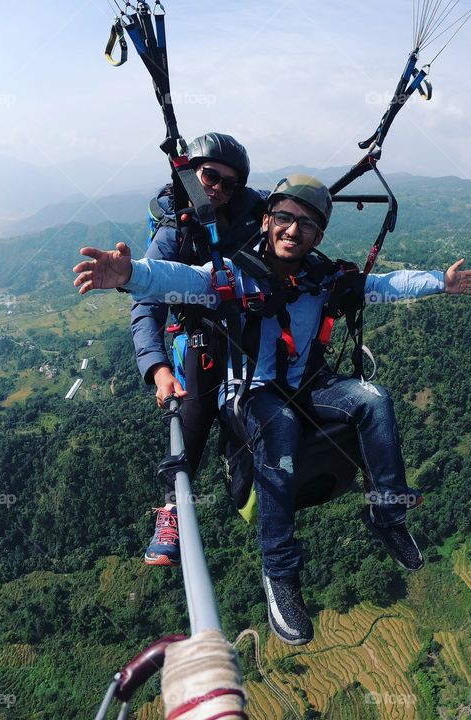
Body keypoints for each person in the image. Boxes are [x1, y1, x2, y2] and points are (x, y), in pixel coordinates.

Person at [75, 174, 471, 645]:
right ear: (268, 221)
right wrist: (129, 275)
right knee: (282, 426)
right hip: (253, 392)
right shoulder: (232, 275)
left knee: (374, 400)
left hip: (308, 384)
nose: (293, 231)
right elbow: (179, 279)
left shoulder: (323, 277)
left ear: (319, 235)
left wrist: (441, 282)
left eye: (307, 225)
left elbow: (384, 285)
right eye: (285, 219)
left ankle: (387, 515)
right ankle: (280, 573)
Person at [132, 132, 268, 567]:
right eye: (210, 177)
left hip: (246, 334)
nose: (218, 189)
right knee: (197, 407)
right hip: (198, 337)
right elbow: (146, 302)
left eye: (230, 184)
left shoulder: (248, 213)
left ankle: (249, 479)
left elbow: (287, 199)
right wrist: (156, 369)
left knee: (260, 403)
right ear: (192, 174)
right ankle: (172, 508)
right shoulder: (175, 233)